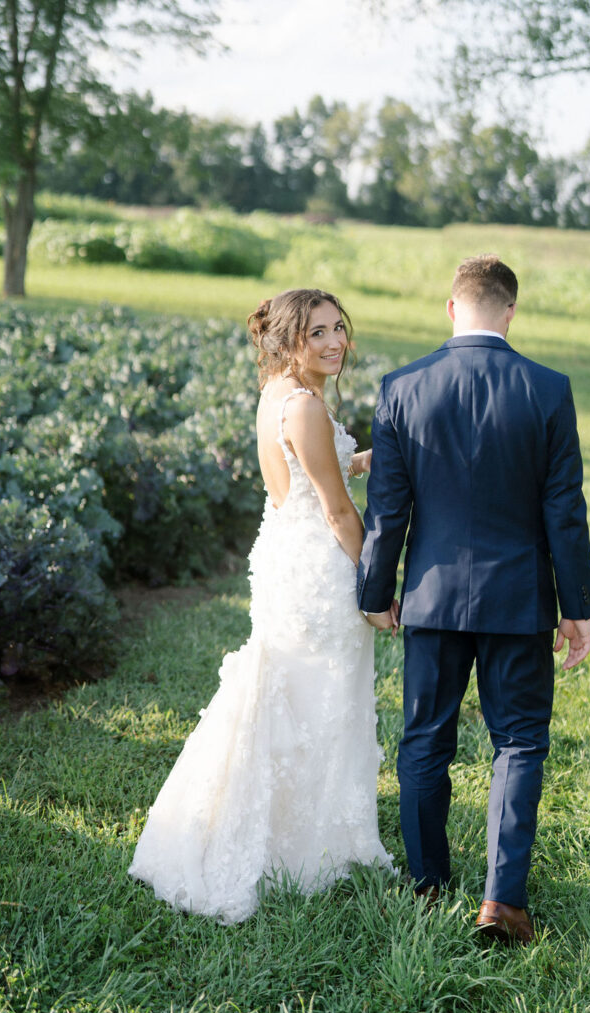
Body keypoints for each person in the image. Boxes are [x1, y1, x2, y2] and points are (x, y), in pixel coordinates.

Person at [129, 288, 394, 923]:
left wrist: (361, 459)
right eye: (317, 333)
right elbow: (334, 509)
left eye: (338, 328)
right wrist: (377, 584)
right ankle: (307, 850)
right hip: (321, 568)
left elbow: (312, 473)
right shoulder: (303, 405)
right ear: (287, 341)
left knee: (295, 696)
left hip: (283, 554)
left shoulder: (278, 394)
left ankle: (288, 831)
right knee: (323, 700)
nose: (334, 342)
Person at [358, 255, 590, 946]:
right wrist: (576, 604)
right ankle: (503, 902)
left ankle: (428, 884)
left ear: (451, 307)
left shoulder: (402, 387)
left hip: (430, 600)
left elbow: (388, 508)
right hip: (519, 598)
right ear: (511, 311)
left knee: (425, 740)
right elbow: (565, 509)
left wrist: (378, 592)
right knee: (519, 741)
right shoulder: (549, 390)